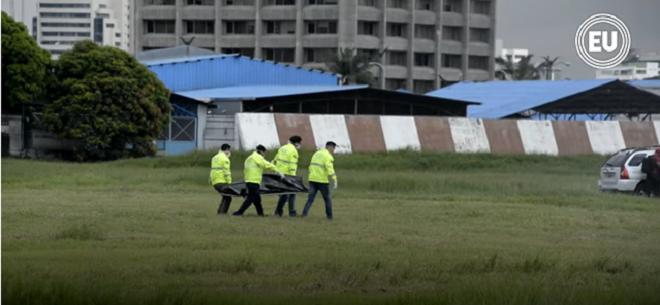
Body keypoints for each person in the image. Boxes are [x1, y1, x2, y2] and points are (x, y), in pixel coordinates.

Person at [233, 145, 283, 216]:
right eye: (264, 153)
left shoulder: (249, 158)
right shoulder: (257, 157)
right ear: (261, 151)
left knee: (257, 200)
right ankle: (239, 212)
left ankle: (260, 214)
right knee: (250, 199)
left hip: (249, 180)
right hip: (254, 181)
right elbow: (265, 164)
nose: (264, 154)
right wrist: (277, 170)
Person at [302, 141, 338, 220]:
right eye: (334, 148)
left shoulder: (317, 153)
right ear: (330, 147)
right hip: (322, 181)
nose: (334, 151)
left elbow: (311, 165)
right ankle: (329, 216)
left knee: (310, 199)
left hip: (312, 179)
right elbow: (329, 168)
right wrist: (334, 179)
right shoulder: (328, 156)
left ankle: (304, 213)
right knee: (327, 199)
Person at [273, 135, 302, 217]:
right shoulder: (293, 151)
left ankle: (278, 211)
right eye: (300, 143)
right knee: (291, 193)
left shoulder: (282, 148)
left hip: (279, 174)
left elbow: (275, 160)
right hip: (288, 175)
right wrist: (293, 178)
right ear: (296, 143)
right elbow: (292, 165)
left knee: (284, 194)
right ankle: (291, 212)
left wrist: (276, 171)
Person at [209, 144, 232, 214]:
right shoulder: (225, 159)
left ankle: (220, 212)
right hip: (221, 180)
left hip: (215, 181)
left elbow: (213, 169)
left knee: (225, 196)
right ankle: (222, 213)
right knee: (227, 197)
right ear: (227, 149)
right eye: (229, 150)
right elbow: (226, 171)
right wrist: (229, 182)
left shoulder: (214, 157)